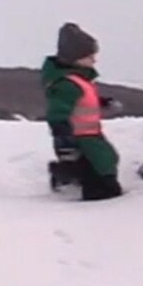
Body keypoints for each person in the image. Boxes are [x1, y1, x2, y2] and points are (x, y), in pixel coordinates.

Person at [41, 23, 121, 202]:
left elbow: (83, 101)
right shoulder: (67, 84)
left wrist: (103, 102)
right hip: (78, 137)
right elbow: (57, 114)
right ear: (75, 59)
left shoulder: (80, 80)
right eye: (90, 56)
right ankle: (102, 197)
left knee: (107, 159)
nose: (94, 60)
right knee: (101, 166)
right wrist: (65, 143)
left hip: (91, 134)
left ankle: (68, 177)